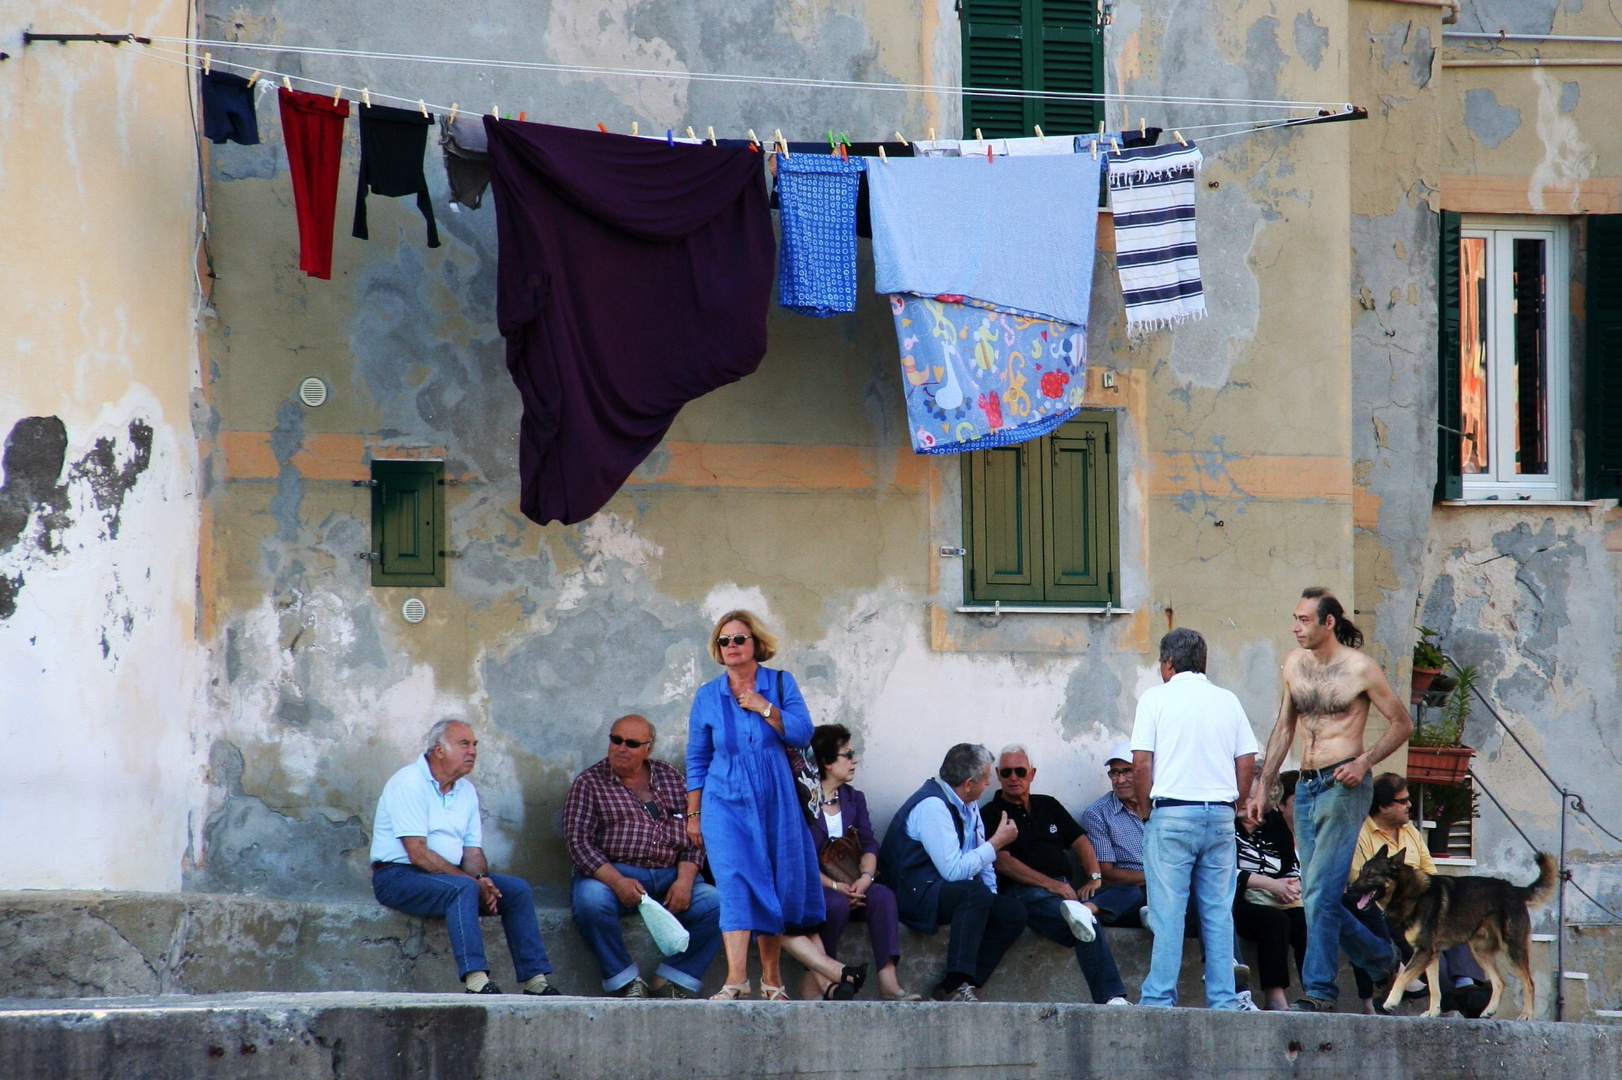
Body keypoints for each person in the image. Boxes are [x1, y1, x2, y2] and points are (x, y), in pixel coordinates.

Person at [684, 610, 864, 1001]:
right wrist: (694, 814)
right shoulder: (706, 696)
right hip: (723, 800)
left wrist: (764, 707)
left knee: (771, 885)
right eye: (723, 641)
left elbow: (803, 734)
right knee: (733, 883)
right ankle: (735, 979)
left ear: (756, 645)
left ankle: (771, 980)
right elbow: (697, 760)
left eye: (738, 639)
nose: (730, 646)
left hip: (774, 799)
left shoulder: (779, 683)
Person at [1245, 588, 1411, 1012]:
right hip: (1306, 787)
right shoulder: (1294, 664)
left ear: (1328, 622)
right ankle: (1383, 960)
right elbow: (1284, 728)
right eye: (1295, 618)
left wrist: (1364, 762)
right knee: (1318, 895)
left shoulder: (1360, 668)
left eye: (1304, 620)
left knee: (1318, 893)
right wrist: (1262, 787)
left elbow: (1401, 723)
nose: (1295, 627)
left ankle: (1320, 992)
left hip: (1345, 785)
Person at [370, 719, 559, 995]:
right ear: (439, 750)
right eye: (464, 744)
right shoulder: (409, 782)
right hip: (398, 877)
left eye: (474, 745)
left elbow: (471, 851)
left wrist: (481, 878)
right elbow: (417, 853)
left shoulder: (466, 791)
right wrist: (473, 883)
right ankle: (477, 981)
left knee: (516, 890)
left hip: (448, 878)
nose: (472, 751)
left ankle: (535, 981)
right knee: (464, 887)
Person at [1130, 628, 1259, 1009]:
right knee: (1218, 912)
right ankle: (1222, 1000)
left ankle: (1158, 1000)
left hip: (1171, 813)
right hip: (1219, 816)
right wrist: (1233, 805)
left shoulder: (1155, 699)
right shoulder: (1228, 700)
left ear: (1168, 663)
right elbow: (1247, 760)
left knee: (1167, 913)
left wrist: (1144, 809)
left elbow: (1141, 763)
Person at [563, 714, 721, 999]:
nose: (621, 748)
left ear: (648, 748)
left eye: (632, 743)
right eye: (616, 740)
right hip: (614, 874)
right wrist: (617, 881)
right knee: (590, 901)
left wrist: (684, 882)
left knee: (717, 903)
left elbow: (695, 837)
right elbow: (578, 844)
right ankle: (624, 979)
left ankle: (671, 979)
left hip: (671, 875)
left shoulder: (671, 778)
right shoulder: (589, 783)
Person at [981, 745, 1132, 1006]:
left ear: (1032, 773)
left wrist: (1095, 877)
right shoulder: (992, 813)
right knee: (1085, 925)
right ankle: (1111, 997)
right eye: (1007, 772)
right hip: (1026, 892)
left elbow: (1081, 842)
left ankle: (1088, 908)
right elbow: (1003, 863)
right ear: (998, 775)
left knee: (1131, 891)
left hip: (1067, 892)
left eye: (1020, 771)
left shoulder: (1047, 804)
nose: (1014, 777)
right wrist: (1053, 886)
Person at [878, 743, 1025, 1002]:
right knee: (973, 893)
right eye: (986, 778)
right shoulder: (933, 806)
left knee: (1013, 912)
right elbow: (955, 871)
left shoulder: (968, 803)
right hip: (912, 892)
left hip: (942, 888)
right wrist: (998, 842)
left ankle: (962, 982)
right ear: (968, 783)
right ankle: (955, 982)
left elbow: (982, 858)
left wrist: (990, 899)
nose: (990, 783)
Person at [1344, 773, 1486, 1012]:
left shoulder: (1409, 831)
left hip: (1421, 902)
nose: (1410, 805)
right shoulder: (1360, 834)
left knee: (1457, 909)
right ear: (1383, 806)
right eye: (1403, 800)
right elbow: (1359, 878)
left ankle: (1465, 982)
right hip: (1388, 908)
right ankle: (1452, 992)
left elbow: (1430, 872)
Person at [802, 724, 918, 1001]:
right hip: (815, 884)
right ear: (827, 762)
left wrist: (864, 880)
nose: (855, 760)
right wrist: (834, 885)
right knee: (835, 903)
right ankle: (823, 977)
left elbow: (868, 843)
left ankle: (888, 981)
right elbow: (799, 858)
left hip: (854, 883)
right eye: (847, 754)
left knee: (882, 896)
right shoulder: (803, 800)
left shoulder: (854, 799)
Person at [1234, 769, 1306, 1010]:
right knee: (1276, 921)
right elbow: (1219, 873)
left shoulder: (1274, 823)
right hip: (1237, 901)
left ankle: (1315, 992)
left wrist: (1288, 886)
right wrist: (1269, 884)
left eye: (1252, 796)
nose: (1245, 801)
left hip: (1275, 897)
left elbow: (1290, 866)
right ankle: (1275, 997)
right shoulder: (1225, 823)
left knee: (1304, 920)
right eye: (1242, 794)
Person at [1079, 742, 1148, 927]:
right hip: (1128, 894)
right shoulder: (1098, 813)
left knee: (1208, 896)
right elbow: (1106, 874)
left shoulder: (1161, 808)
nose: (1120, 780)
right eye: (1114, 772)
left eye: (1127, 771)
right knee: (1131, 893)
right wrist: (1155, 875)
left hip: (1169, 890)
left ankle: (1225, 956)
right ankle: (1085, 911)